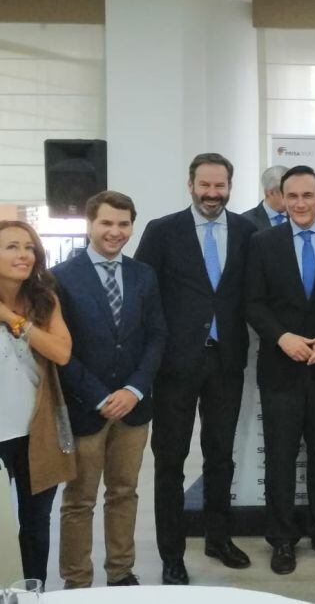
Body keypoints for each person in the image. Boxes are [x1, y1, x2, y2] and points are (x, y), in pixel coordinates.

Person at [135, 152, 257, 585]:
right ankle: (171, 553)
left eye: (219, 186)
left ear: (230, 186)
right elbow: (143, 295)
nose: (212, 194)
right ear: (190, 185)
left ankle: (217, 538)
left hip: (226, 361)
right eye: (204, 185)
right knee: (170, 461)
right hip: (175, 365)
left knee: (220, 457)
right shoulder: (162, 230)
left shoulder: (247, 230)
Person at [246, 165, 315, 575]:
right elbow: (253, 302)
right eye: (292, 196)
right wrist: (282, 337)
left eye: (307, 195)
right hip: (281, 368)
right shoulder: (262, 242)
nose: (300, 204)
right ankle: (282, 538)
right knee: (279, 458)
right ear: (280, 197)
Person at [54, 191, 167, 588]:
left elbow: (156, 337)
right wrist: (101, 396)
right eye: (107, 223)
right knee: (79, 500)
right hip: (86, 408)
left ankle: (120, 572)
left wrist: (135, 388)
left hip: (134, 408)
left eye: (123, 224)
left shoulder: (143, 275)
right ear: (90, 224)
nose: (115, 232)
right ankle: (77, 580)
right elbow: (61, 351)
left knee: (124, 492)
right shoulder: (62, 277)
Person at [0, 220, 75, 583]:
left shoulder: (44, 301)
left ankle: (33, 590)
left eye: (29, 247)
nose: (24, 255)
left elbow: (61, 352)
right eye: (12, 247)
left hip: (37, 430)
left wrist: (9, 317)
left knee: (35, 525)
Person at [242, 165, 288, 230]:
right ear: (270, 193)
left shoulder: (301, 218)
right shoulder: (245, 221)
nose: (294, 198)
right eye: (288, 192)